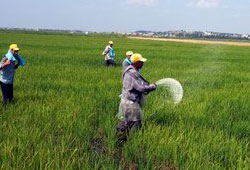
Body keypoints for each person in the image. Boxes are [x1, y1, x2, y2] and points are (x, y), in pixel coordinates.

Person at [116, 53, 157, 146]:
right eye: (141, 62)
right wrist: (152, 87)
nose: (143, 63)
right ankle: (131, 142)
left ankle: (118, 135)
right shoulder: (133, 73)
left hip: (125, 100)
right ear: (136, 62)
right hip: (131, 102)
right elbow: (140, 88)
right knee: (136, 122)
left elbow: (138, 85)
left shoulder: (128, 70)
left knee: (128, 121)